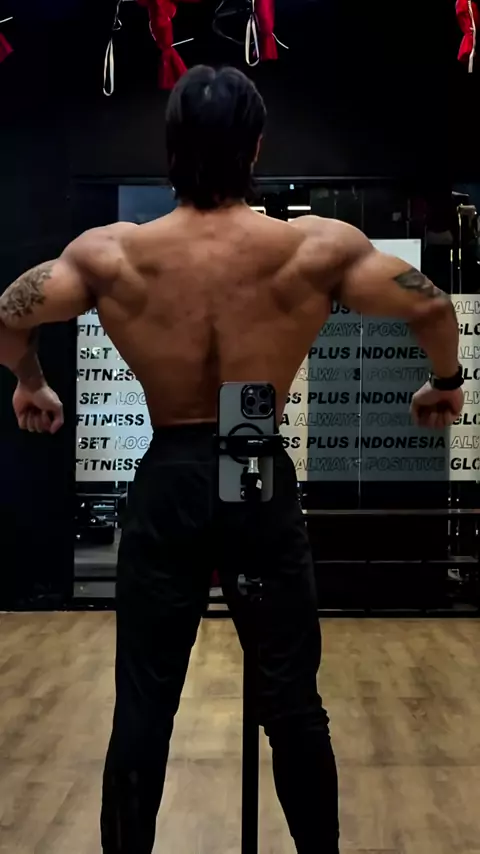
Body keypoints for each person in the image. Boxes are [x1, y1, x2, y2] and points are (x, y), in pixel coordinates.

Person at [0, 65, 464, 854]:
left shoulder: (111, 254)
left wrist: (32, 382)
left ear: (171, 148)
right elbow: (431, 304)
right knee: (294, 708)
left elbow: (11, 315)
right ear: (255, 148)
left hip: (170, 478)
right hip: (256, 476)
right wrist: (443, 383)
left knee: (143, 708)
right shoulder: (315, 248)